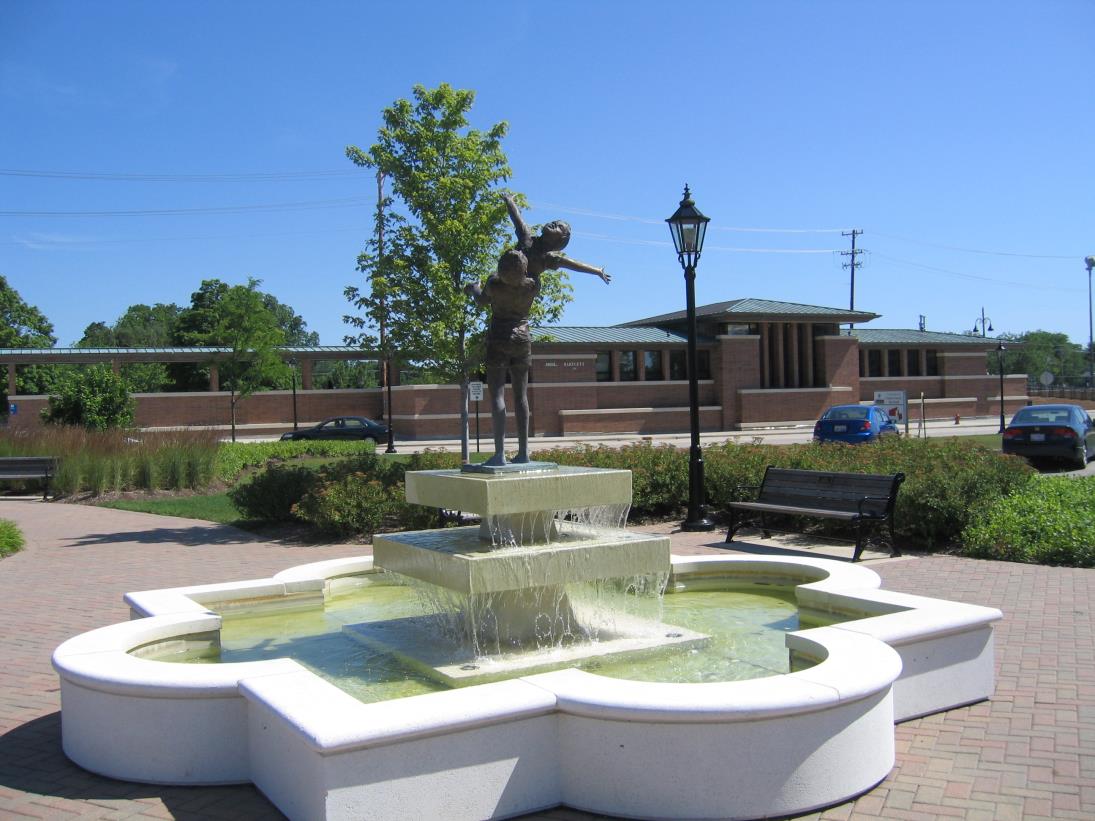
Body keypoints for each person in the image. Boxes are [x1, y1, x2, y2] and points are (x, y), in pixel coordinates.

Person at [464, 194, 610, 466]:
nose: (553, 224)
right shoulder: (533, 285)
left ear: (560, 240)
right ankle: (523, 452)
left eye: (559, 228)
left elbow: (568, 261)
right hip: (522, 336)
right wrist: (597, 271)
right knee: (520, 395)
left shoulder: (496, 282)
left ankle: (499, 454)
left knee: (497, 393)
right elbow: (567, 262)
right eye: (554, 222)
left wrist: (472, 288)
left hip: (499, 336)